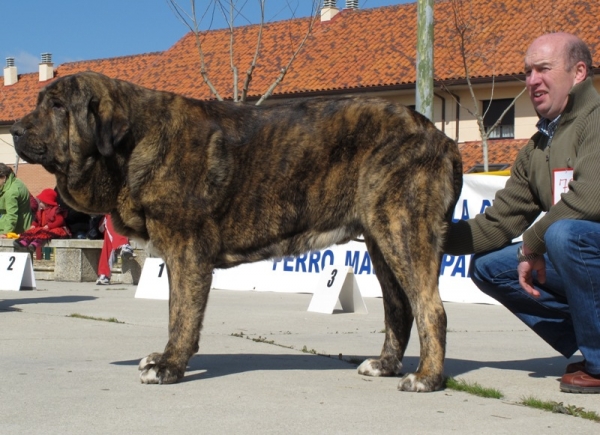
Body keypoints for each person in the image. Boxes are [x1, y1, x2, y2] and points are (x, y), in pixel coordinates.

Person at [445, 32, 600, 394]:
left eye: (542, 69)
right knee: (489, 266)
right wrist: (423, 237)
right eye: (527, 72)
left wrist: (532, 244)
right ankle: (592, 341)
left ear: (578, 72)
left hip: (587, 246)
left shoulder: (596, 121)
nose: (531, 81)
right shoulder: (537, 147)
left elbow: (590, 199)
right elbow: (499, 221)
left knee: (565, 235)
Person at [96, 214, 134, 285]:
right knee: (111, 215)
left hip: (127, 224)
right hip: (109, 222)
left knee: (109, 238)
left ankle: (103, 275)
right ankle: (123, 244)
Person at [0, 163, 33, 237]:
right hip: (21, 227)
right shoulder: (16, 181)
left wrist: (5, 233)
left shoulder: (11, 192)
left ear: (4, 177)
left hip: (15, 231)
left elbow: (12, 215)